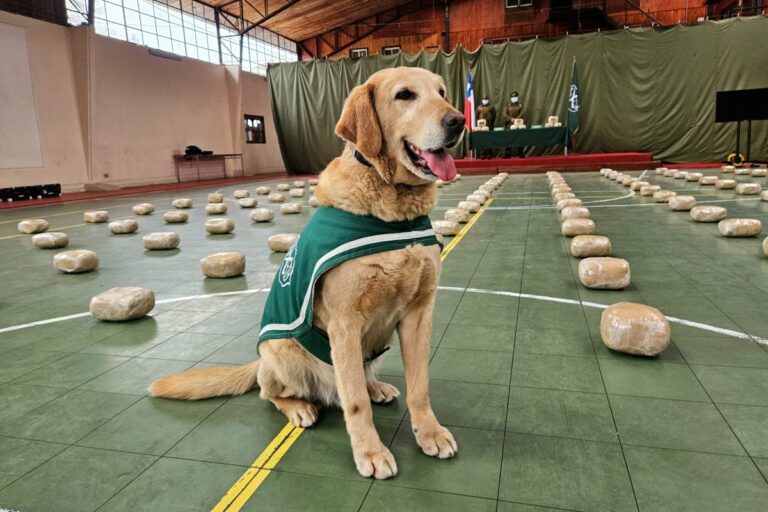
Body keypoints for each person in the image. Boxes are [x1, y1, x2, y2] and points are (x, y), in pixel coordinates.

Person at [503, 91, 525, 158]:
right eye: (513, 97)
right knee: (508, 139)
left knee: (520, 139)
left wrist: (516, 119)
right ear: (510, 98)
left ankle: (521, 154)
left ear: (517, 97)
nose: (514, 98)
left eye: (515, 97)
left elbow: (523, 113)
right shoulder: (508, 105)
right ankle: (507, 154)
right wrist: (510, 119)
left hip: (519, 124)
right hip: (509, 124)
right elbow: (504, 114)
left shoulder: (520, 105)